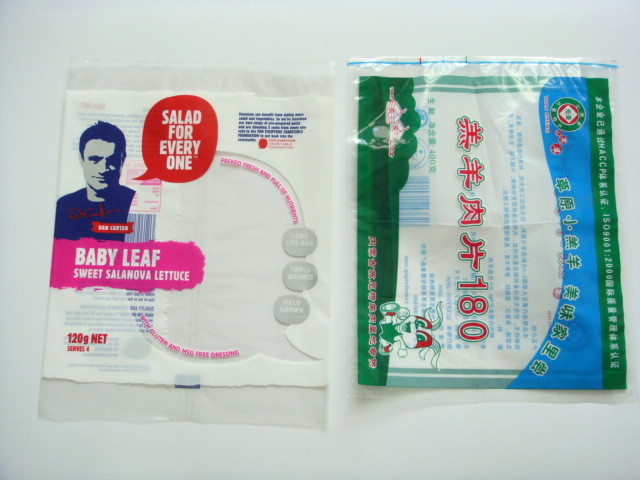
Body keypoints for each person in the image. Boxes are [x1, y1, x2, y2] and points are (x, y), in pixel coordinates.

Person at [54, 121, 136, 241]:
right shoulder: (64, 206)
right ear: (81, 159)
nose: (102, 169)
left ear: (122, 160)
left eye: (111, 161)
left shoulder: (137, 203)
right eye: (95, 160)